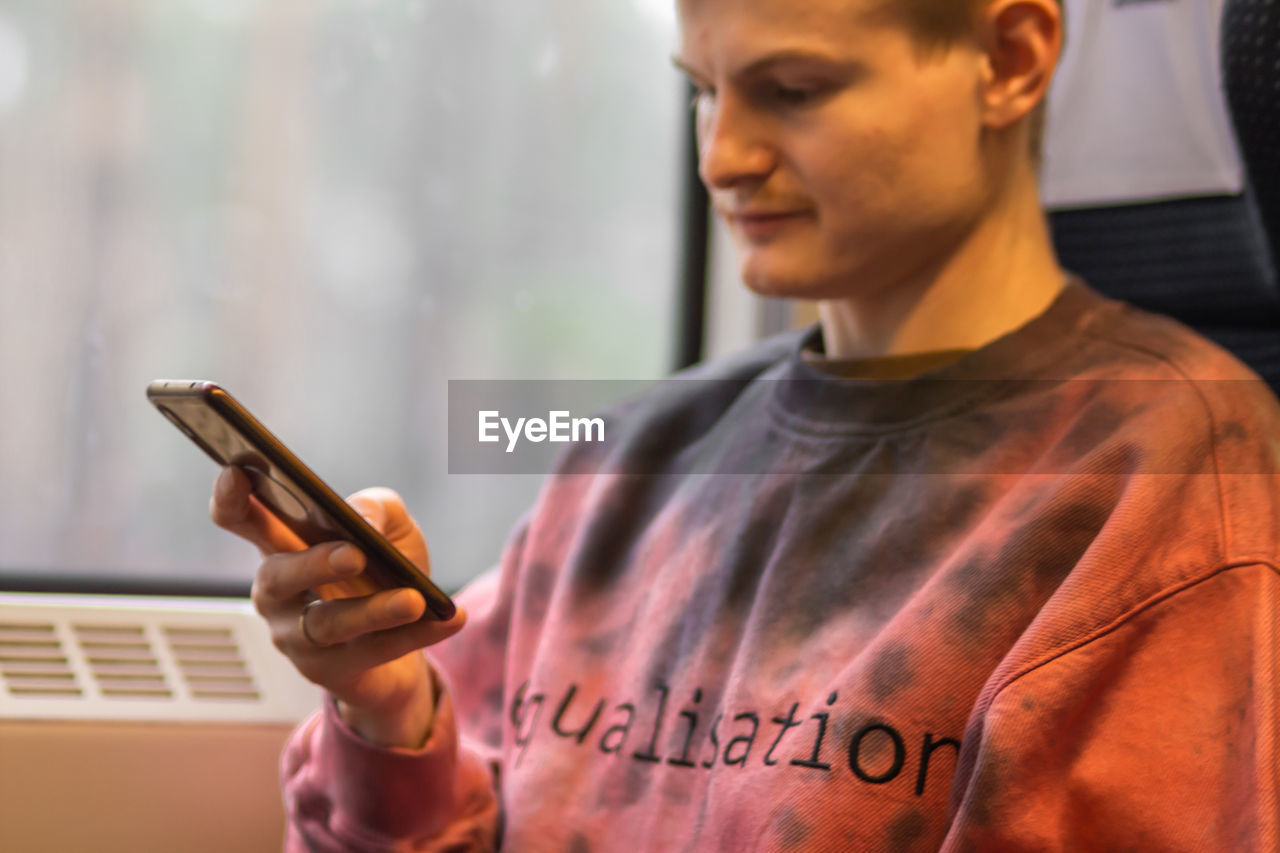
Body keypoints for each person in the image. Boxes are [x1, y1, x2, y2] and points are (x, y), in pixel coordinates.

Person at [210, 0, 1280, 849]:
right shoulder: (636, 458)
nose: (722, 155)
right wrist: (387, 710)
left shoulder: (1168, 479)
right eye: (703, 93)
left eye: (793, 90)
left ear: (1005, 57)